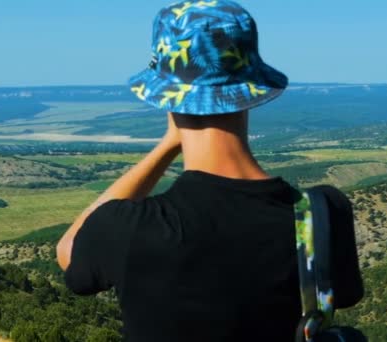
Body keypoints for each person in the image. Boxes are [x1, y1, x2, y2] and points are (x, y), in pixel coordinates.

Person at [56, 1, 363, 341]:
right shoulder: (321, 214)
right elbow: (343, 295)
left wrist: (168, 145)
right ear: (250, 92)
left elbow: (70, 253)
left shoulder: (131, 228)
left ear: (167, 100)